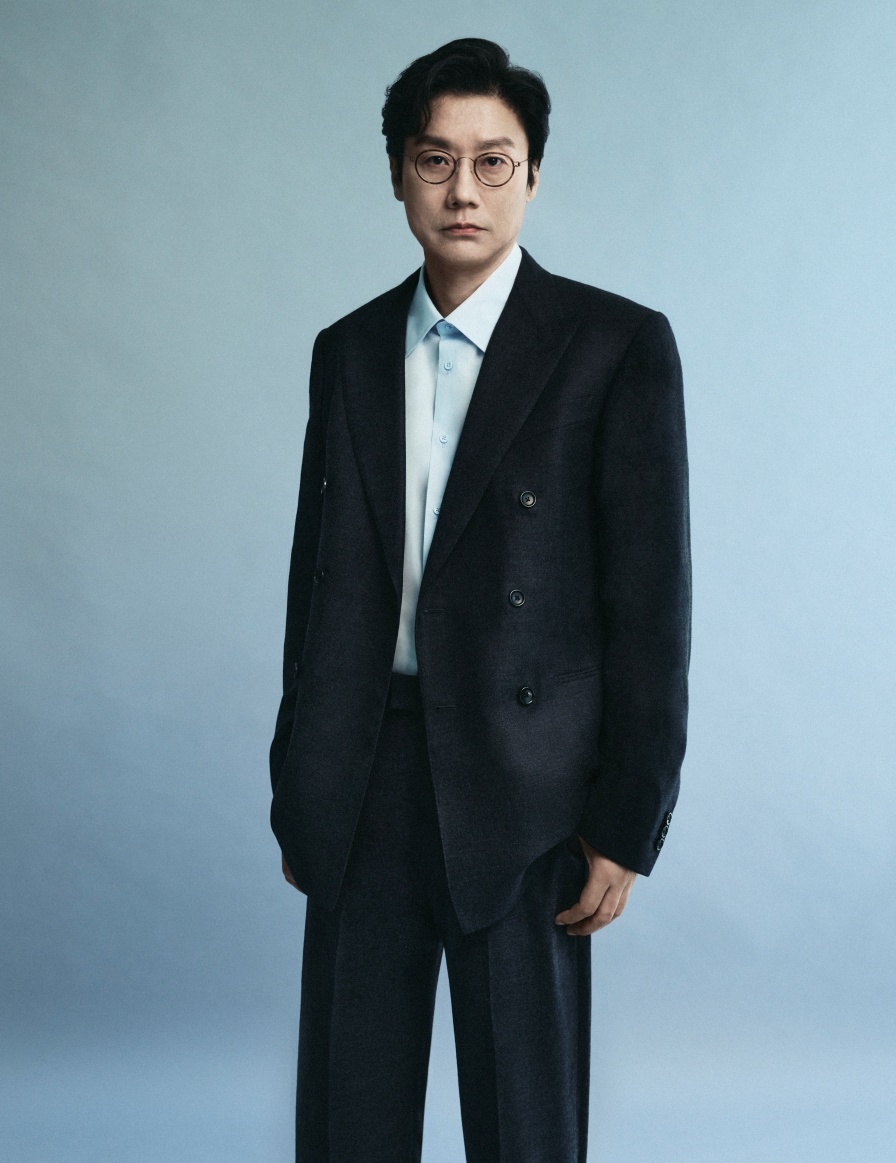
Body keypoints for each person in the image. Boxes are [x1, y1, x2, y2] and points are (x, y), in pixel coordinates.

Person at [269, 37, 690, 1162]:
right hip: (363, 774)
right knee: (348, 1123)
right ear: (398, 175)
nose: (463, 189)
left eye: (493, 161)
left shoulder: (614, 347)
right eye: (435, 159)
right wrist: (298, 777)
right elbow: (315, 581)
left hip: (531, 793)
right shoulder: (349, 351)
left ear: (532, 175)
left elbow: (653, 609)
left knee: (524, 1126)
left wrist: (627, 818)